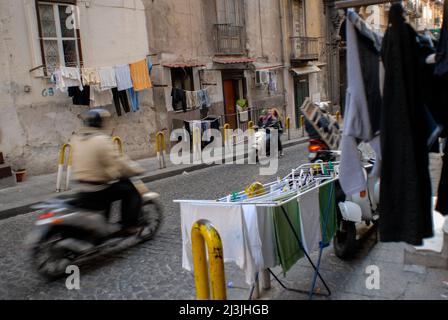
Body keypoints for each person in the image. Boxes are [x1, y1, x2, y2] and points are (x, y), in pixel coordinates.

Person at [71, 109, 145, 234]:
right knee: (130, 190)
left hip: (81, 187)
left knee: (112, 187)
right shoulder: (101, 139)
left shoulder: (76, 139)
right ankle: (128, 225)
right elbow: (118, 162)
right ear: (100, 123)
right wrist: (136, 170)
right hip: (97, 188)